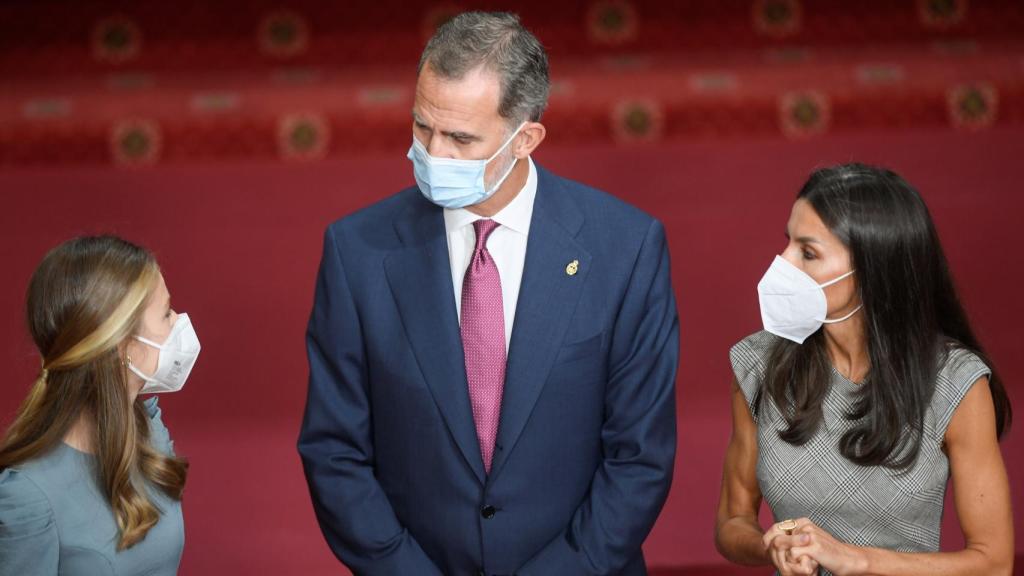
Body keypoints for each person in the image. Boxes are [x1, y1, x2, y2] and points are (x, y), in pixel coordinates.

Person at [297, 11, 679, 576]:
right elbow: (334, 453)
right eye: (422, 127)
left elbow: (639, 457)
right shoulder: (357, 252)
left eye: (460, 138)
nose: (433, 154)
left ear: (525, 138)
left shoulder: (625, 249)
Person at [715, 163, 1014, 576]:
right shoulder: (758, 365)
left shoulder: (956, 382)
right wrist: (771, 546)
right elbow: (732, 522)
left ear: (872, 269)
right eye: (788, 243)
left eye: (808, 252)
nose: (781, 264)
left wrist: (855, 559)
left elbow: (993, 563)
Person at [0, 236, 200, 575]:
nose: (179, 321)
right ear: (123, 345)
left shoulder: (149, 430)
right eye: (166, 313)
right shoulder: (28, 496)